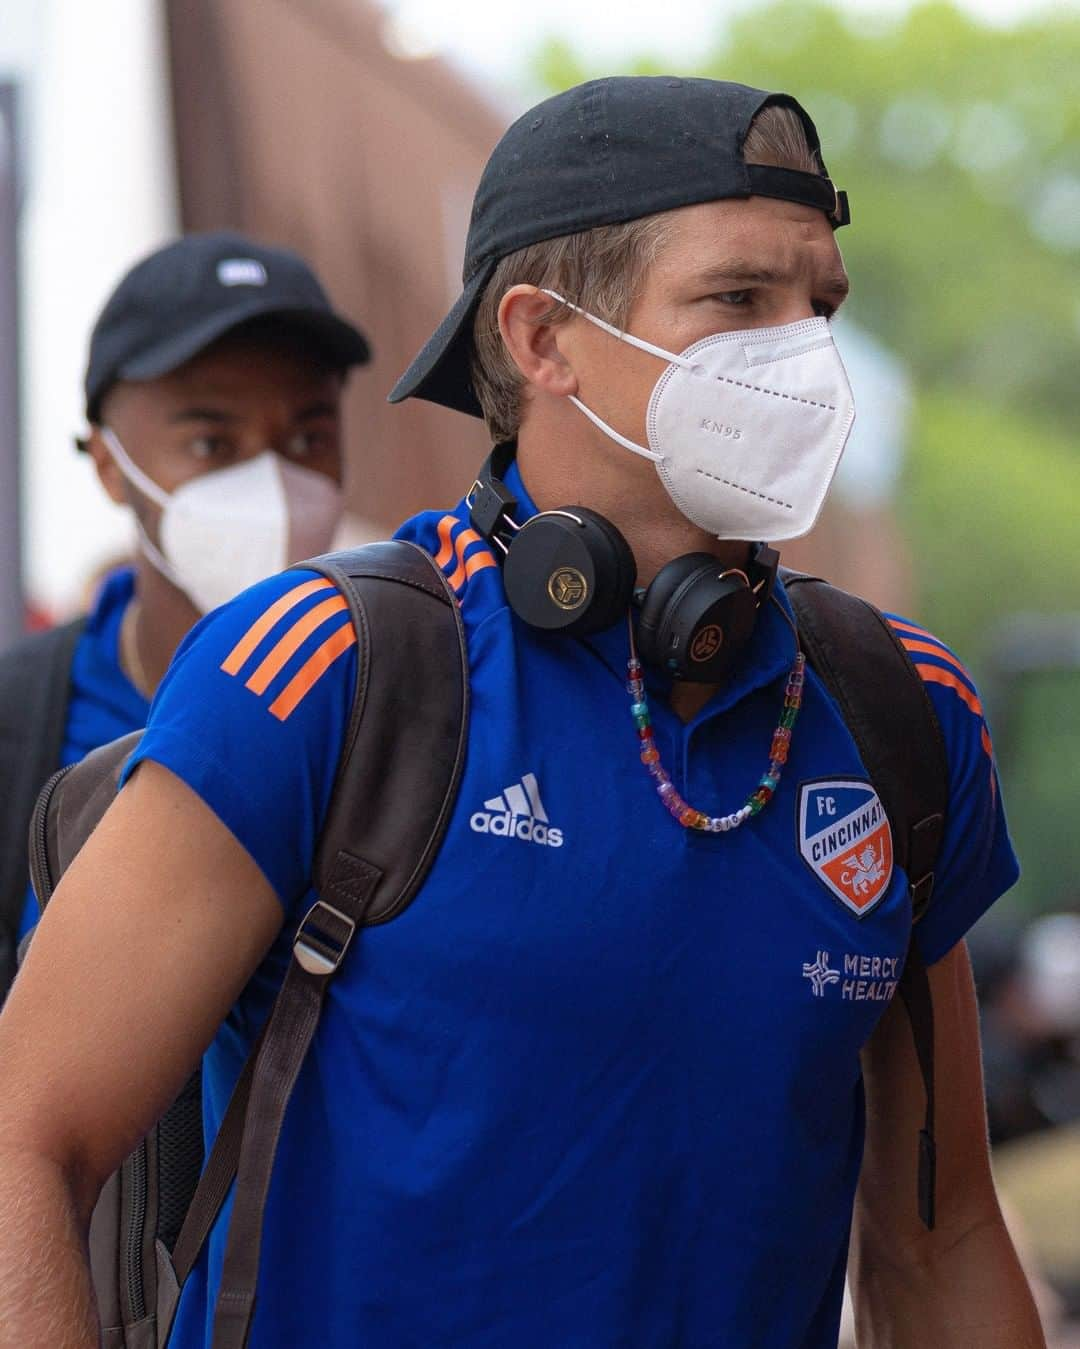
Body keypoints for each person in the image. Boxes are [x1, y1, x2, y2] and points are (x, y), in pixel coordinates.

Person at [0, 78, 1043, 1348]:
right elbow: (25, 1134)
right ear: (543, 338)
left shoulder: (901, 710)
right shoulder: (325, 672)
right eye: (738, 301)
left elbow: (941, 1240)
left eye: (819, 301)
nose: (805, 354)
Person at [0, 231, 370, 994]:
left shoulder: (404, 698)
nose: (272, 482)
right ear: (109, 464)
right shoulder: (23, 722)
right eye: (211, 441)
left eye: (308, 436)